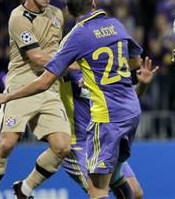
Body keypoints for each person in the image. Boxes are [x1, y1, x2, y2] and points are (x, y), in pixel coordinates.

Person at [0, 0, 147, 199]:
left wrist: (7, 96)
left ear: (67, 9)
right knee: (99, 190)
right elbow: (134, 62)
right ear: (94, 3)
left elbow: (44, 81)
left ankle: (25, 189)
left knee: (134, 192)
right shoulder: (112, 28)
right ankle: (26, 188)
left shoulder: (77, 43)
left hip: (105, 127)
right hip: (81, 142)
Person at [0, 0, 77, 198]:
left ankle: (25, 189)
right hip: (22, 85)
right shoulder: (18, 17)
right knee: (7, 144)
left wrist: (64, 68)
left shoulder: (56, 15)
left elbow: (55, 51)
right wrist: (72, 65)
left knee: (62, 146)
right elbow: (37, 57)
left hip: (49, 87)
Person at [60, 57, 157, 199]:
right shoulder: (66, 68)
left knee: (135, 192)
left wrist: (142, 84)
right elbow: (46, 65)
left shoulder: (102, 69)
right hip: (78, 144)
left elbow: (128, 97)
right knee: (98, 192)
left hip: (104, 137)